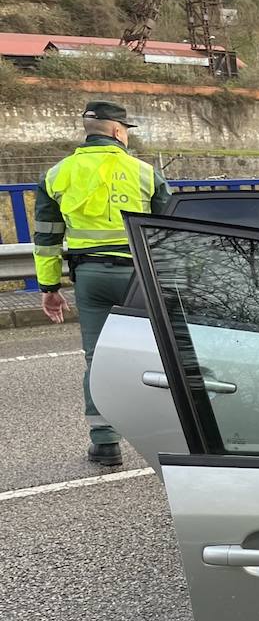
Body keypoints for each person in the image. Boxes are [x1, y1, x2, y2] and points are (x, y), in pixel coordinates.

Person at [35, 101, 172, 466]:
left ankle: (105, 443)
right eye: (126, 129)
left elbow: (46, 239)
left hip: (90, 277)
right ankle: (170, 437)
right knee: (160, 355)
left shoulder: (56, 174)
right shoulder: (145, 172)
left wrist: (49, 288)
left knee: (97, 358)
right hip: (139, 277)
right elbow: (171, 235)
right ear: (117, 131)